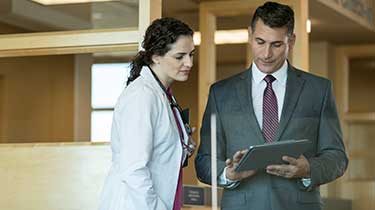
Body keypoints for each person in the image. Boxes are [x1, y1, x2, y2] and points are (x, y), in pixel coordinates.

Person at [195, 2, 348, 210]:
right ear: (250, 35)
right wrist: (228, 173)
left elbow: (337, 157)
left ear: (291, 41)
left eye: (276, 44)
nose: (266, 54)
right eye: (260, 41)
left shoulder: (318, 90)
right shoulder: (221, 93)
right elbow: (204, 161)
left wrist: (308, 169)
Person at [98, 17, 196, 210]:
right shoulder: (142, 96)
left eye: (191, 54)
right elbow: (133, 169)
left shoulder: (163, 94)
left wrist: (182, 146)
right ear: (156, 57)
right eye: (180, 56)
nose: (189, 63)